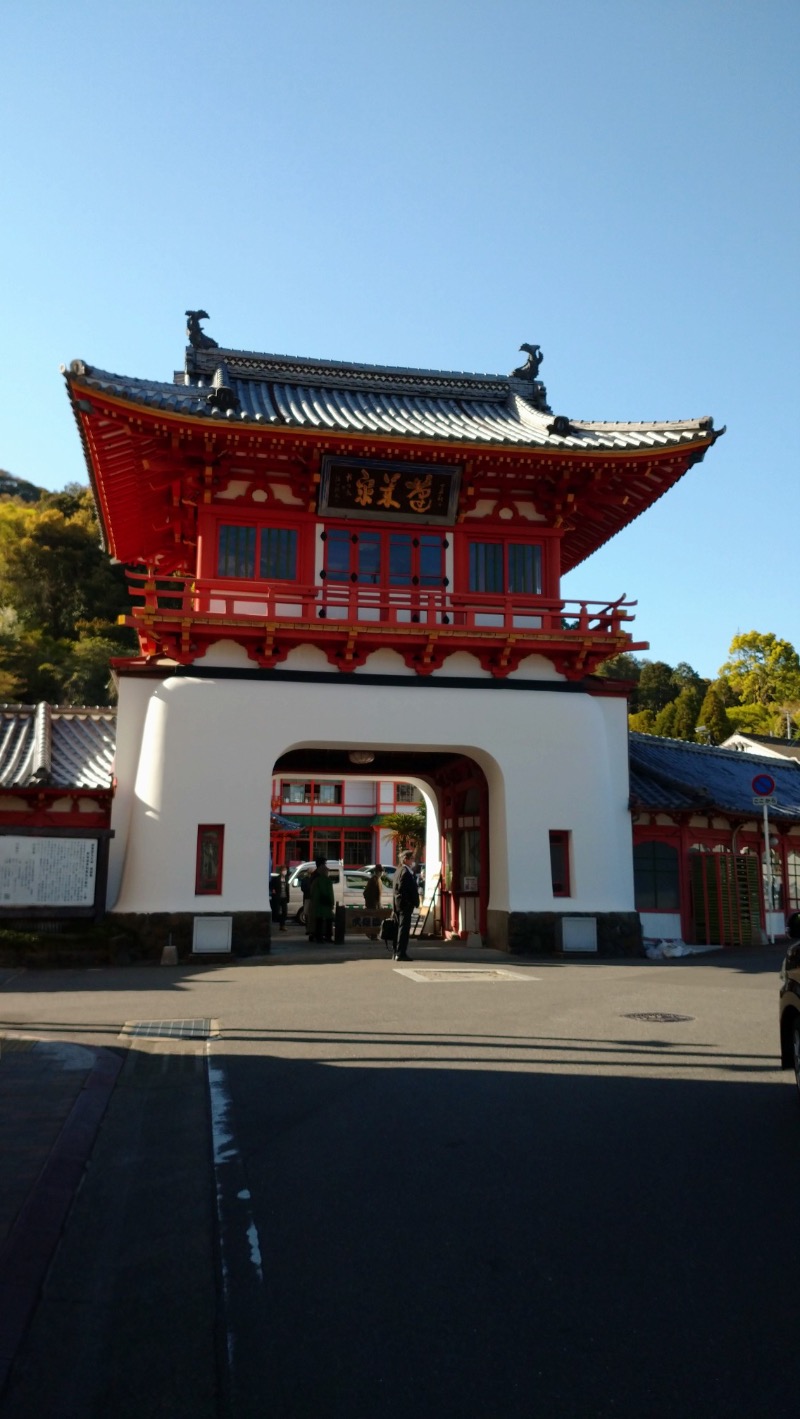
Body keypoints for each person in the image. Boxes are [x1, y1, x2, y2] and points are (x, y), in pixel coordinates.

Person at [391, 850, 420, 961]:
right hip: (404, 906)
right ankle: (400, 953)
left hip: (398, 905)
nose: (413, 861)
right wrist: (409, 902)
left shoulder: (399, 871)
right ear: (405, 859)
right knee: (403, 929)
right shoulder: (405, 872)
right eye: (411, 858)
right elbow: (403, 889)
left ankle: (396, 952)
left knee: (399, 928)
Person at [309, 859, 335, 943]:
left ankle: (318, 937)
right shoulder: (327, 881)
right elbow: (329, 893)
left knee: (319, 921)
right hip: (325, 904)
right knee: (328, 921)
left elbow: (312, 892)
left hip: (317, 904)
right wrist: (331, 902)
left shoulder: (315, 879)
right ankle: (327, 937)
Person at [363, 863, 382, 940]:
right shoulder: (374, 880)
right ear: (378, 872)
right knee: (374, 920)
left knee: (375, 920)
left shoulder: (377, 879)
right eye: (380, 871)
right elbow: (367, 893)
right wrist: (373, 903)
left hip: (374, 903)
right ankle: (372, 934)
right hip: (373, 904)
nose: (381, 873)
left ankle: (373, 934)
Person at [273, 866, 290, 932]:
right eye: (283, 870)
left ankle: (282, 925)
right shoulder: (276, 879)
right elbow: (271, 885)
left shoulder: (286, 878)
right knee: (277, 912)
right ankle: (280, 923)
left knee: (285, 912)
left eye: (285, 870)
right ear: (280, 871)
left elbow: (287, 889)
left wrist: (288, 897)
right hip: (278, 897)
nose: (285, 871)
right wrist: (274, 890)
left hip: (284, 898)